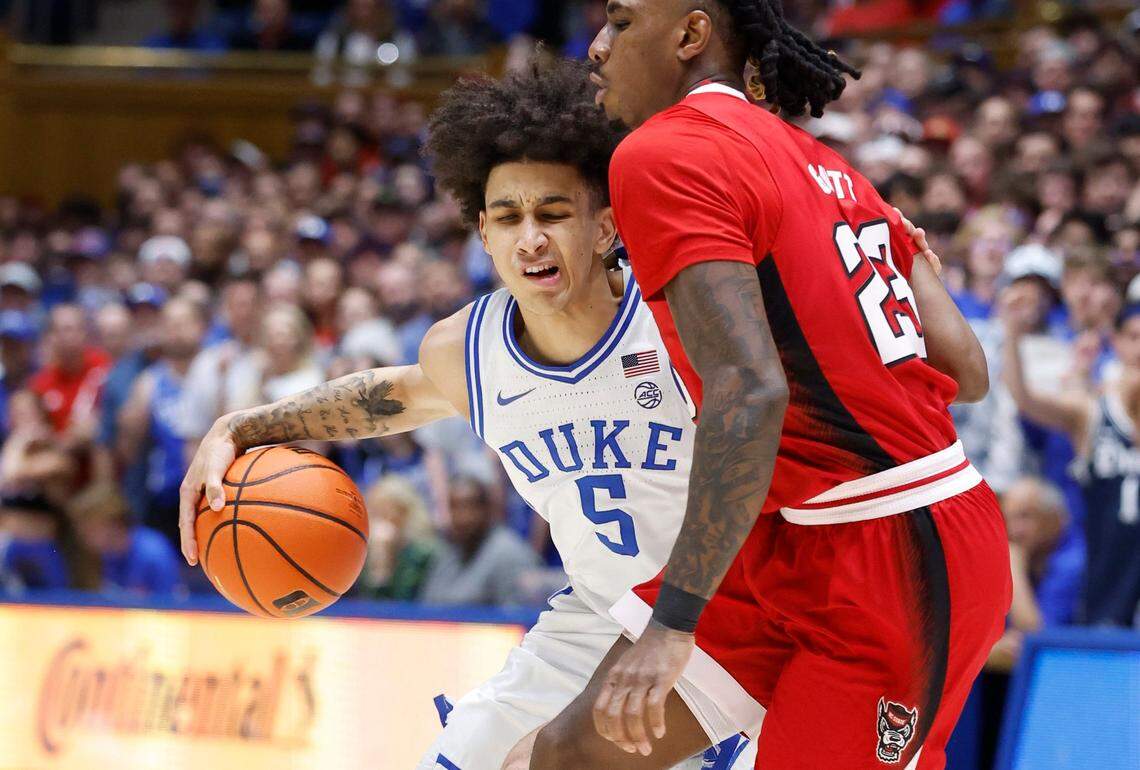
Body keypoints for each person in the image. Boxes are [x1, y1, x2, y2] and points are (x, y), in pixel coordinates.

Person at [178, 62, 754, 770]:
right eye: (508, 218)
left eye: (553, 213)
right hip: (595, 619)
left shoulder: (679, 321)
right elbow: (381, 400)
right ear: (483, 234)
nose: (530, 239)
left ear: (606, 226)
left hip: (721, 618)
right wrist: (238, 427)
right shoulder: (468, 350)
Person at [526, 3, 1009, 768]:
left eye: (620, 22)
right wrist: (907, 253)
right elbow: (967, 369)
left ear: (689, 36)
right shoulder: (834, 171)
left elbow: (751, 391)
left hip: (894, 548)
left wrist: (673, 625)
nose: (597, 46)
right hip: (792, 535)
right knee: (571, 754)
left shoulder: (663, 152)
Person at [1003, 295, 1140, 628]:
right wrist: (1013, 334)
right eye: (1135, 337)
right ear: (1117, 342)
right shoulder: (1091, 410)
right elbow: (1026, 399)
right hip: (1106, 571)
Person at [419, 476, 538, 606]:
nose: (461, 517)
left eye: (468, 507)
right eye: (454, 507)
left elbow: (518, 619)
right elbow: (428, 603)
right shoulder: (448, 550)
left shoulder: (510, 555)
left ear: (488, 509)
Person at [353, 474, 437, 601]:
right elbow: (367, 604)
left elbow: (407, 602)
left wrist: (387, 559)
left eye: (386, 513)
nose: (379, 523)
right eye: (375, 513)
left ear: (405, 514)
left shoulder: (424, 553)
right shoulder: (364, 552)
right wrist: (379, 564)